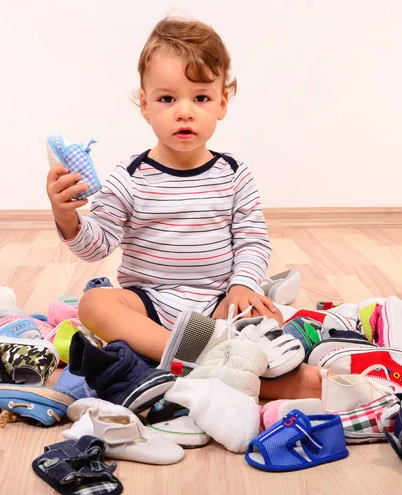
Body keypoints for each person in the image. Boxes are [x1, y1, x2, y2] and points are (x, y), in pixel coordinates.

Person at [46, 16, 322, 399]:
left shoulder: (233, 174)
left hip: (218, 304)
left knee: (268, 315)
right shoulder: (130, 176)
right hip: (150, 305)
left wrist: (242, 286)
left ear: (222, 103)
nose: (185, 111)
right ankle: (200, 361)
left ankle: (201, 362)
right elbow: (98, 245)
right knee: (94, 303)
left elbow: (253, 241)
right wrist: (67, 217)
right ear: (145, 104)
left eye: (201, 98)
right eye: (167, 98)